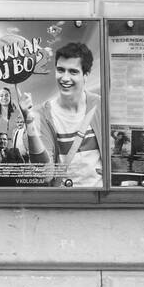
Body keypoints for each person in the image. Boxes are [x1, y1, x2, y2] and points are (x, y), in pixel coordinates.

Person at [21, 41, 102, 187]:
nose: (65, 78)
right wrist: (29, 123)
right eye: (60, 70)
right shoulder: (42, 114)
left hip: (99, 198)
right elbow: (45, 174)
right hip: (62, 201)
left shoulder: (99, 105)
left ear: (86, 75)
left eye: (73, 71)